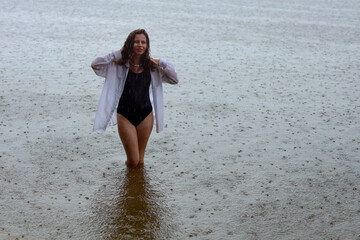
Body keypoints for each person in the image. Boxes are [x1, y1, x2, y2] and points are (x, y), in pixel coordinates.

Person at [91, 29, 179, 167]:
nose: (140, 45)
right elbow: (95, 65)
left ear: (147, 46)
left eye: (143, 42)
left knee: (140, 160)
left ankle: (138, 187)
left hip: (146, 114)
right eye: (136, 41)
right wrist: (118, 53)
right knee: (133, 160)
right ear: (130, 44)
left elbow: (174, 79)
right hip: (125, 115)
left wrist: (159, 61)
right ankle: (129, 185)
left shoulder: (152, 67)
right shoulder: (118, 65)